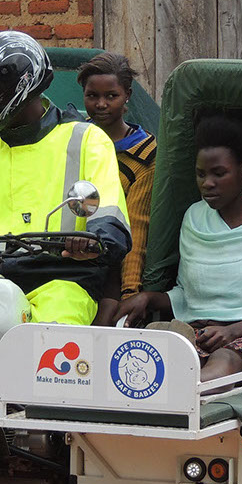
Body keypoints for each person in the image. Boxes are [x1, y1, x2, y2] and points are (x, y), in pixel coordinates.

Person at [115, 115, 242, 387]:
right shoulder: (194, 218)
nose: (207, 183)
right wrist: (149, 299)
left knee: (225, 359)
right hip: (201, 330)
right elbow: (190, 293)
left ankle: (181, 392)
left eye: (219, 173)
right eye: (201, 174)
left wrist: (232, 330)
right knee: (160, 356)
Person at [0, 31, 131, 325]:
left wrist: (96, 239)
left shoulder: (86, 140)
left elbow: (110, 210)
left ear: (18, 88)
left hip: (62, 280)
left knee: (48, 350)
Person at [76, 52, 156, 326]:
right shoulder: (76, 140)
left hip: (112, 271)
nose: (101, 104)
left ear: (127, 96)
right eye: (92, 96)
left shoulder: (145, 155)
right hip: (70, 259)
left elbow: (137, 227)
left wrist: (129, 292)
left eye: (111, 96)